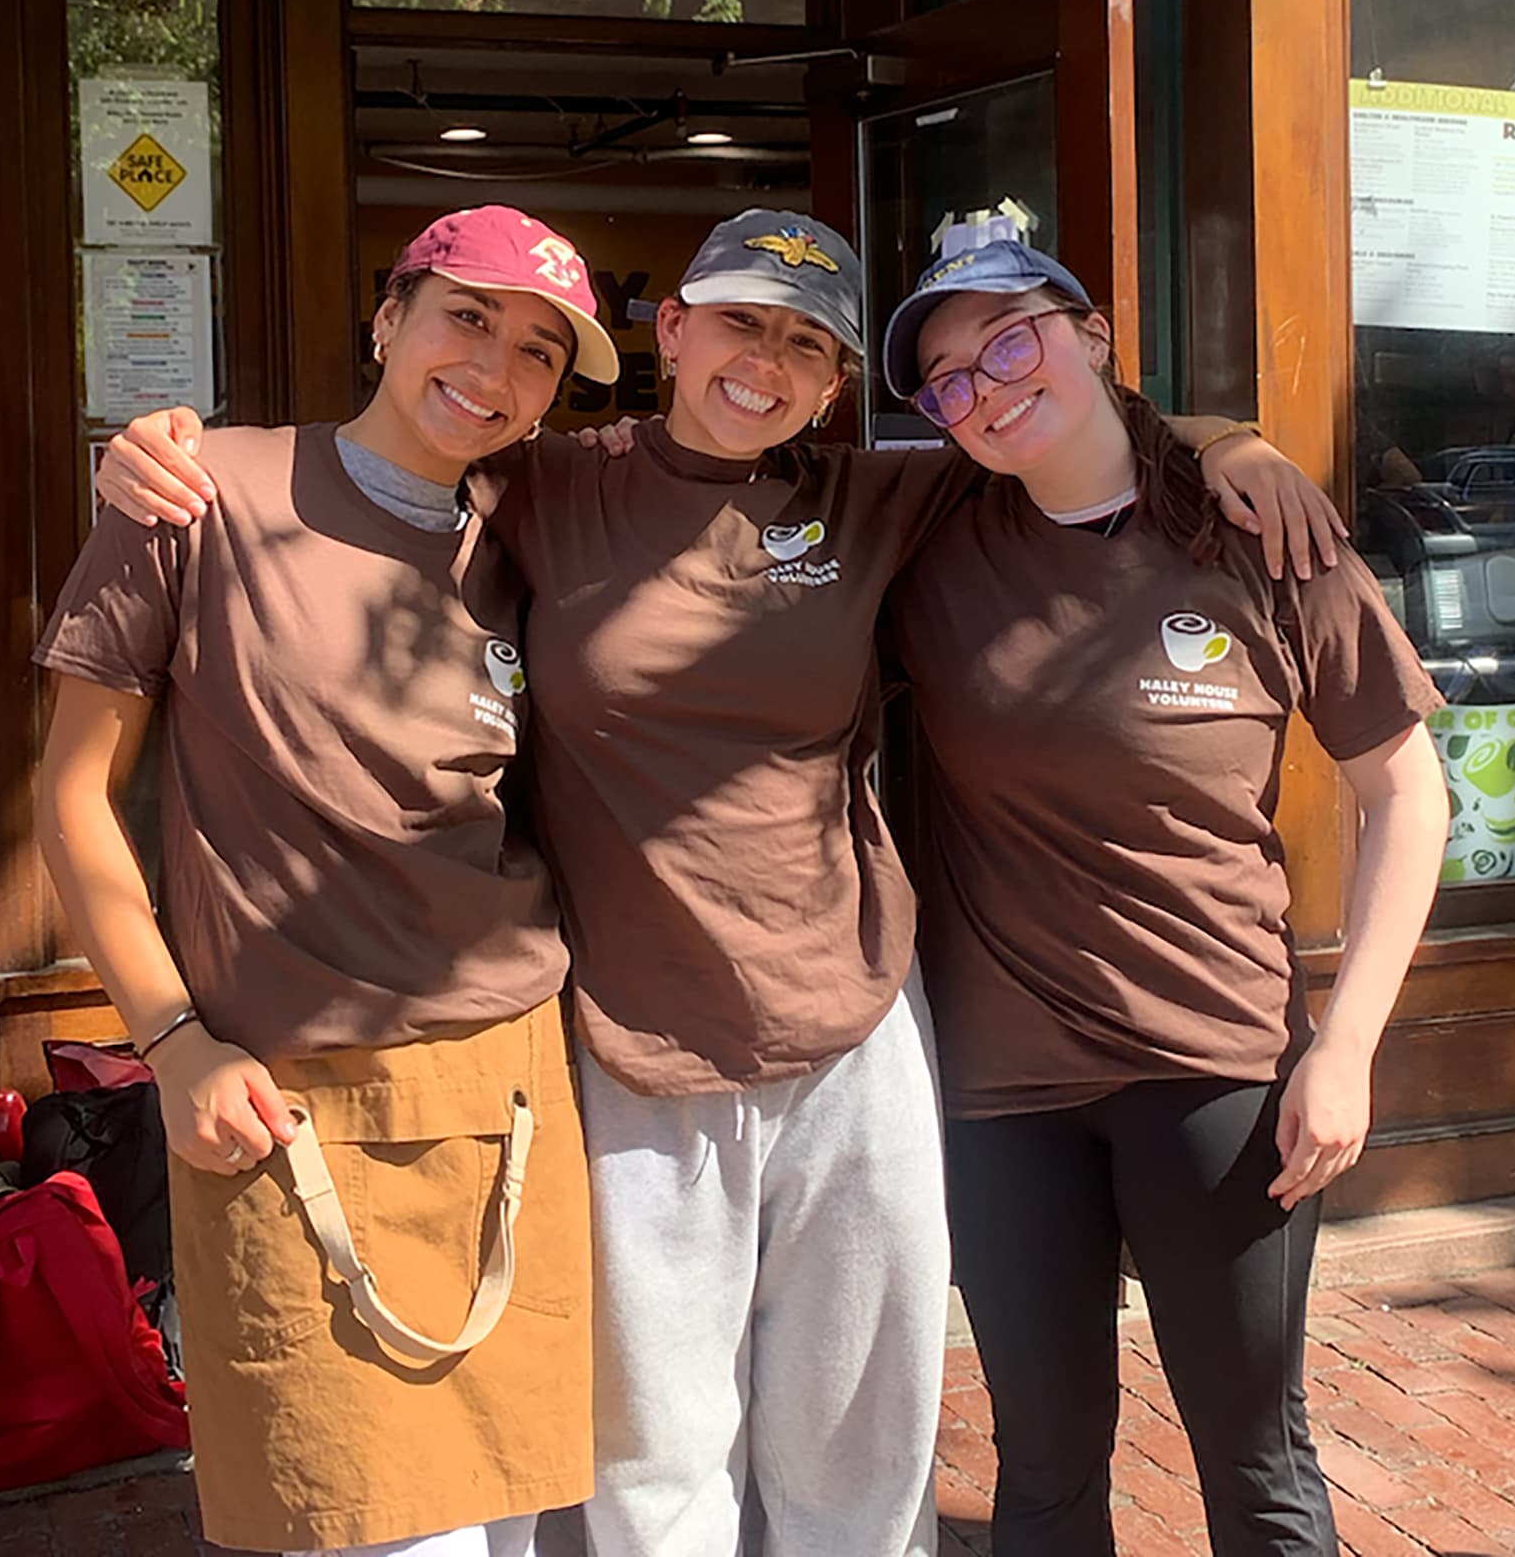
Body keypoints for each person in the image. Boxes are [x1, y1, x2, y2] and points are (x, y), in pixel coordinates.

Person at [97, 208, 1341, 1557]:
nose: (770, 362)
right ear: (673, 333)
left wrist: (1232, 440)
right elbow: (374, 478)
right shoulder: (547, 485)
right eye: (743, 321)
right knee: (658, 1460)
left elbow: (1061, 428)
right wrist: (172, 448)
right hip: (635, 1045)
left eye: (808, 345)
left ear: (833, 384)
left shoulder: (873, 496)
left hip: (856, 1034)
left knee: (862, 1448)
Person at [34, 205, 619, 1557]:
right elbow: (70, 802)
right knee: (350, 1525)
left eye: (540, 351)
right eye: (466, 316)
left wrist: (1208, 441)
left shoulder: (527, 543)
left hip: (508, 1087)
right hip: (281, 1099)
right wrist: (171, 1043)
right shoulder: (199, 493)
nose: (494, 368)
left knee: (511, 1526)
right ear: (388, 316)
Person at [878, 231, 1451, 1557]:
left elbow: (1405, 796)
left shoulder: (1262, 536)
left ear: (1090, 335)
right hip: (1001, 1093)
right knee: (1045, 1473)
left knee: (1255, 1460)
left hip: (1217, 1066)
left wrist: (1349, 1049)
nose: (985, 389)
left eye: (1010, 342)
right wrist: (1217, 430)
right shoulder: (931, 537)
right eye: (948, 381)